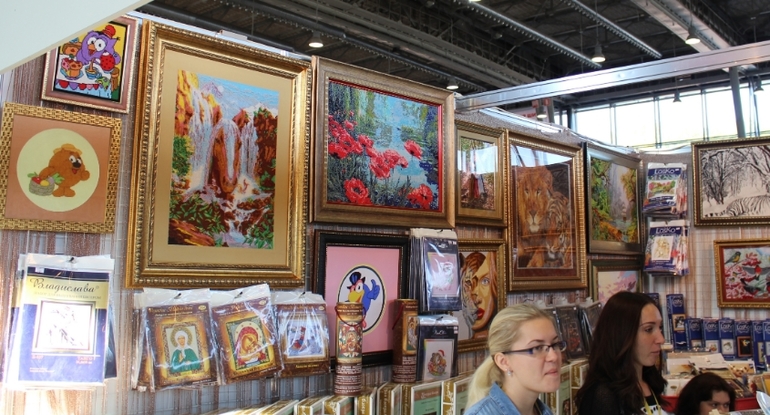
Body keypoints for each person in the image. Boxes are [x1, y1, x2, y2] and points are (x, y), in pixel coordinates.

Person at [575, 291, 668, 415]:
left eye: (660, 328)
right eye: (648, 329)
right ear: (622, 335)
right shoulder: (604, 395)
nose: (661, 339)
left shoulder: (649, 381)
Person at [465, 303, 563, 415]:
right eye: (537, 348)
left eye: (555, 344)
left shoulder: (543, 411)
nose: (554, 356)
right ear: (504, 362)